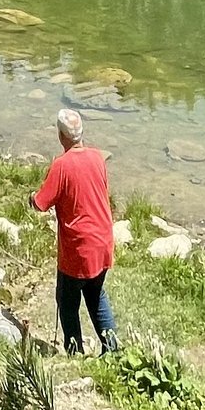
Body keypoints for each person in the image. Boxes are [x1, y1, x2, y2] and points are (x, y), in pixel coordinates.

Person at [32, 108, 118, 354]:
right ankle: (112, 350)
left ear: (61, 136)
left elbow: (41, 203)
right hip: (103, 242)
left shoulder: (61, 165)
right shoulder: (98, 158)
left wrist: (31, 198)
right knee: (96, 294)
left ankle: (75, 352)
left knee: (67, 301)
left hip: (78, 250)